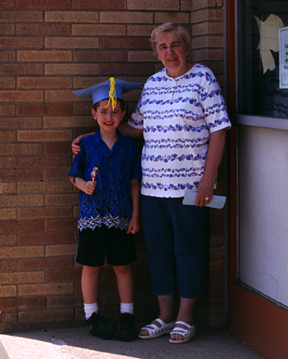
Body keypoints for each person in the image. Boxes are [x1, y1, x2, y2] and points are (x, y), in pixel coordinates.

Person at [72, 22, 231, 344]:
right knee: (158, 252)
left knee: (188, 250)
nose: (169, 52)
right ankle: (164, 315)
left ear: (187, 47)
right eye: (162, 46)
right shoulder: (153, 84)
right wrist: (94, 137)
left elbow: (219, 129)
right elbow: (135, 128)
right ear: (156, 51)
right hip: (151, 187)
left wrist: (207, 180)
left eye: (175, 44)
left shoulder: (203, 78)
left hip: (189, 186)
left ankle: (186, 318)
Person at [69, 77, 144, 341]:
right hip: (92, 216)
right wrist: (83, 186)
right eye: (103, 111)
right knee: (91, 266)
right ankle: (92, 317)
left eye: (114, 111)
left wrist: (135, 215)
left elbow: (135, 183)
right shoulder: (86, 145)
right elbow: (73, 176)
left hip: (121, 217)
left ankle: (127, 316)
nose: (109, 117)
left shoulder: (128, 148)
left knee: (122, 265)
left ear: (123, 115)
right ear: (94, 114)